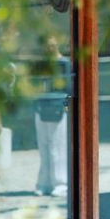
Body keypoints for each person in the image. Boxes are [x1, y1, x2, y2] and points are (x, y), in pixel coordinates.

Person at [34, 37, 70, 197]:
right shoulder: (40, 64)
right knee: (44, 146)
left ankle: (60, 183)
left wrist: (65, 107)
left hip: (57, 108)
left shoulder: (65, 63)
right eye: (47, 45)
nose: (49, 48)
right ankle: (44, 183)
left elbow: (68, 87)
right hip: (41, 106)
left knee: (58, 147)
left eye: (52, 45)